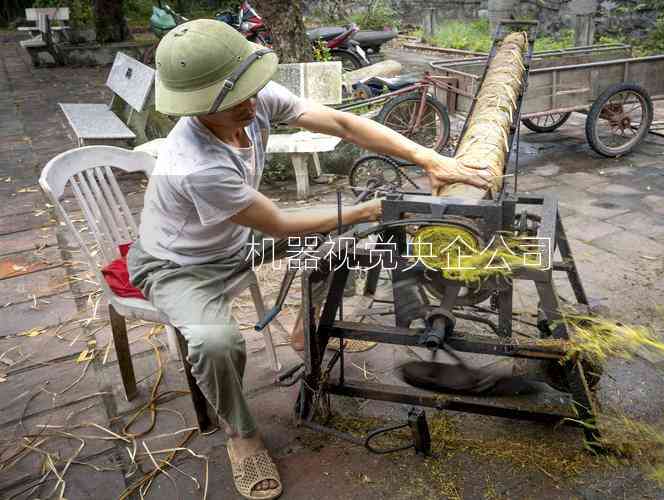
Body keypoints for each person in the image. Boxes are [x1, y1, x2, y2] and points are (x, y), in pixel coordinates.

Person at [127, 19, 491, 500]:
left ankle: (304, 328)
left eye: (251, 89)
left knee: (342, 236)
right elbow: (277, 223)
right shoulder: (194, 164)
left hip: (235, 239)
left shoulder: (249, 94)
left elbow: (342, 123)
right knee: (216, 343)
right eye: (235, 99)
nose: (253, 103)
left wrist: (427, 157)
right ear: (199, 107)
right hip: (180, 265)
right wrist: (367, 208)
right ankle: (242, 435)